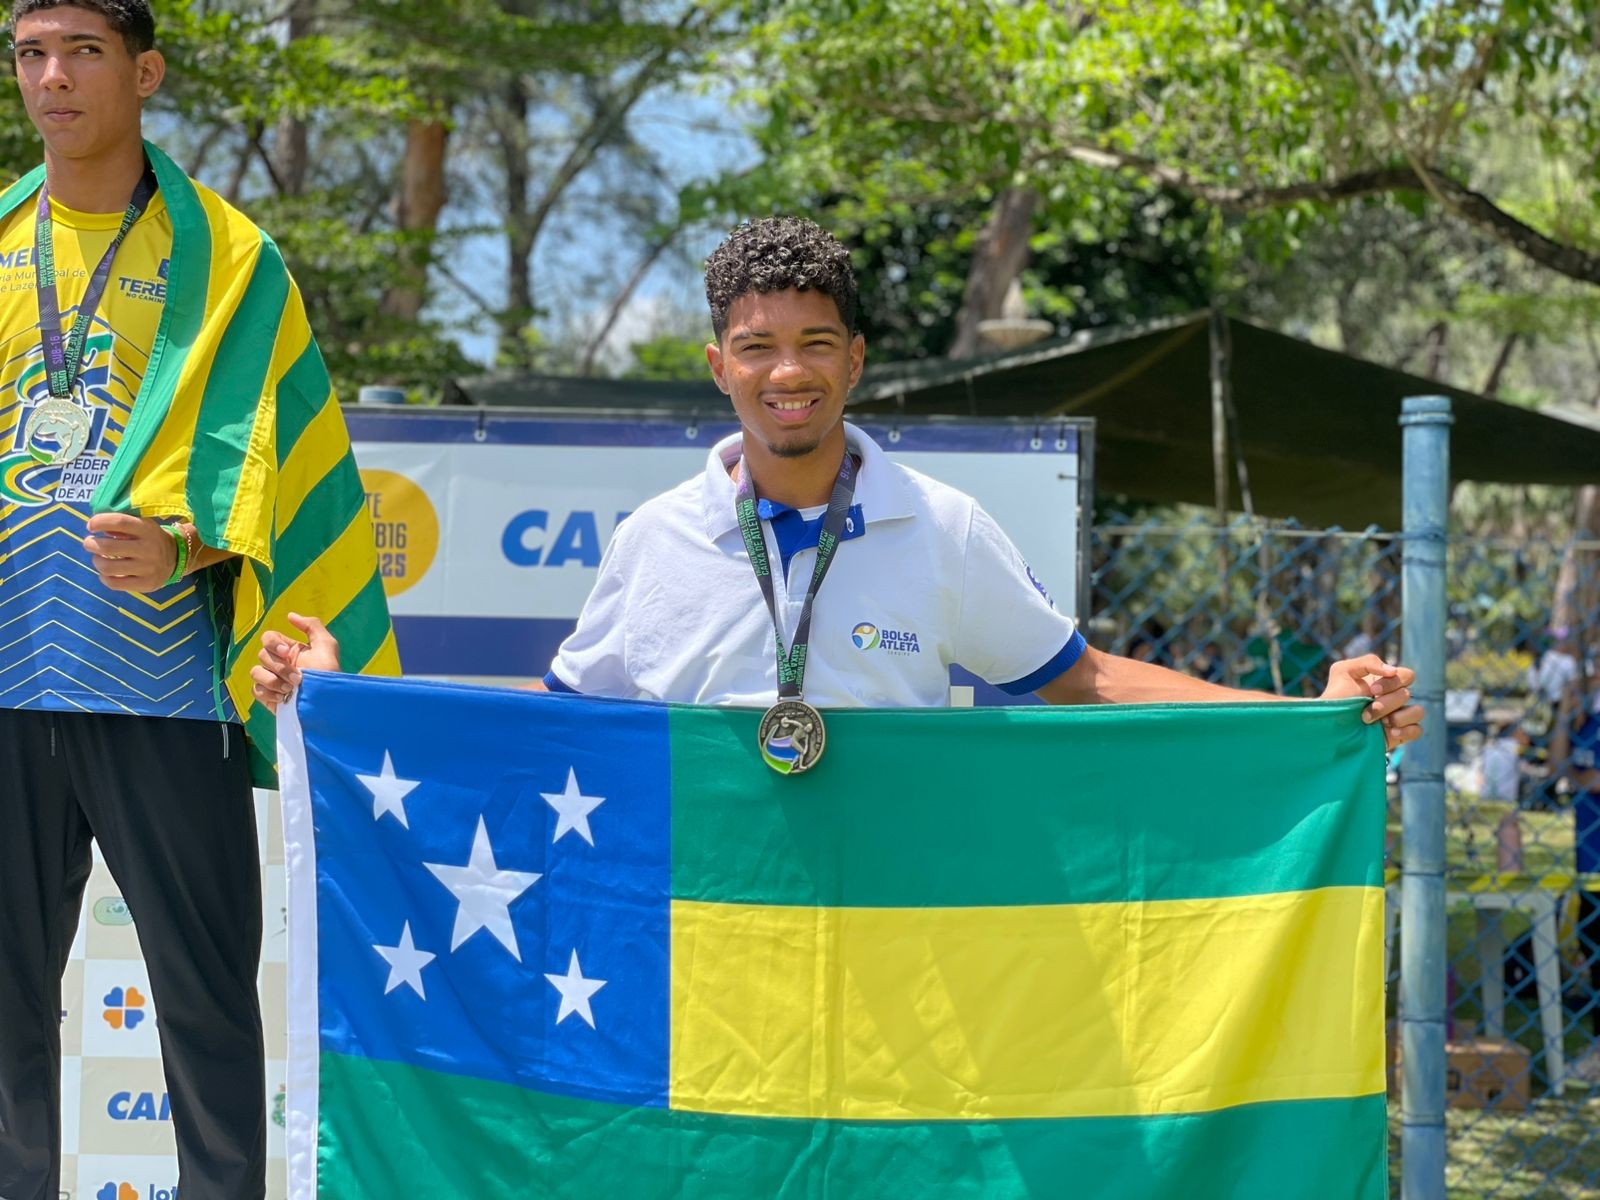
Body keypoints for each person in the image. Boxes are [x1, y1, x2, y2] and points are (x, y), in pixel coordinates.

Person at [251, 217, 1422, 749]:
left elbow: (1091, 679)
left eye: (815, 343)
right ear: (720, 369)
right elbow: (559, 720)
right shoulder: (659, 538)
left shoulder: (942, 526)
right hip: (703, 932)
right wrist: (353, 701)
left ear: (854, 361)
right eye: (757, 347)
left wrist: (1306, 718)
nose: (788, 372)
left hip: (885, 934)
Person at [0, 3, 397, 1198]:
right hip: (8, 690)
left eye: (83, 52)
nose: (52, 78)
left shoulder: (229, 257)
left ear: (147, 71)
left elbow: (267, 459)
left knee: (209, 1012)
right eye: (30, 54)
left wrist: (185, 552)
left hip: (166, 695)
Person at [1551, 676, 1600, 1083]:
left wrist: (1576, 777)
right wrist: (1566, 712)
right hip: (1590, 864)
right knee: (1590, 943)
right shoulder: (1588, 721)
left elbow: (1584, 778)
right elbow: (1555, 765)